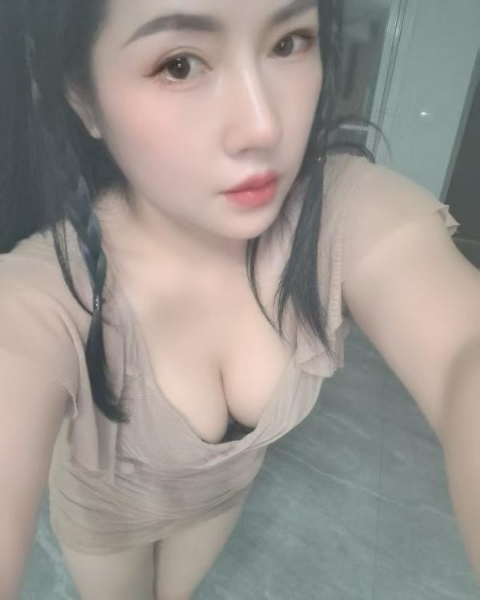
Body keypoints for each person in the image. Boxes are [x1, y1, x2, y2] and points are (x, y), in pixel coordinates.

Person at [1, 1, 479, 599]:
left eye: (288, 43)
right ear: (84, 98)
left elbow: (464, 352)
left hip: (220, 502)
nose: (263, 126)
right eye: (179, 65)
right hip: (110, 526)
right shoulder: (46, 290)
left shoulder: (340, 213)